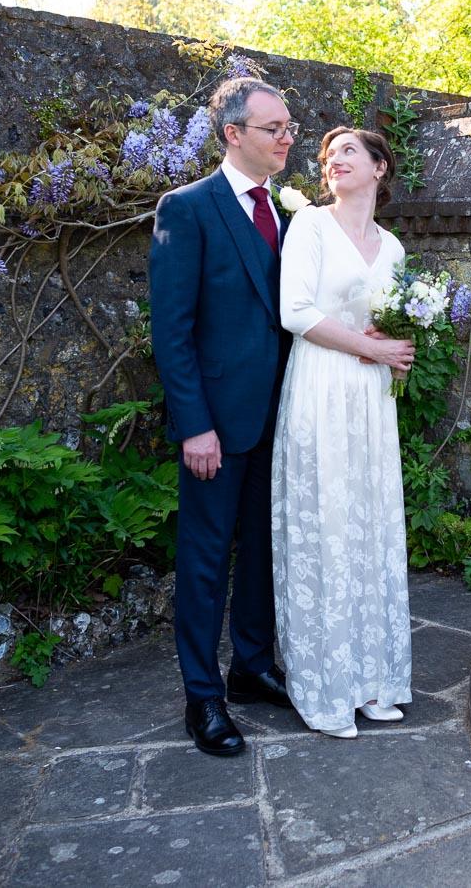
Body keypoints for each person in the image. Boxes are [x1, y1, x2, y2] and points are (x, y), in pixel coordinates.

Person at [148, 77, 299, 758]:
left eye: (289, 126)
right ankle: (202, 696)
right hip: (216, 422)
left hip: (281, 417)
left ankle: (251, 664)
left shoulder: (292, 216)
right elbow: (172, 331)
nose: (287, 137)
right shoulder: (187, 208)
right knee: (206, 560)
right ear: (233, 133)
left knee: (265, 548)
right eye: (274, 128)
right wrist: (194, 424)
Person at [271, 127, 417, 739]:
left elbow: (388, 319)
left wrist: (395, 344)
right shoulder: (309, 226)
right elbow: (295, 312)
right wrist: (369, 347)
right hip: (322, 388)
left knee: (368, 524)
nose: (334, 163)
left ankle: (375, 681)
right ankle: (325, 687)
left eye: (349, 153)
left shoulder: (393, 247)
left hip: (369, 398)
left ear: (380, 168)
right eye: (328, 157)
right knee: (327, 526)